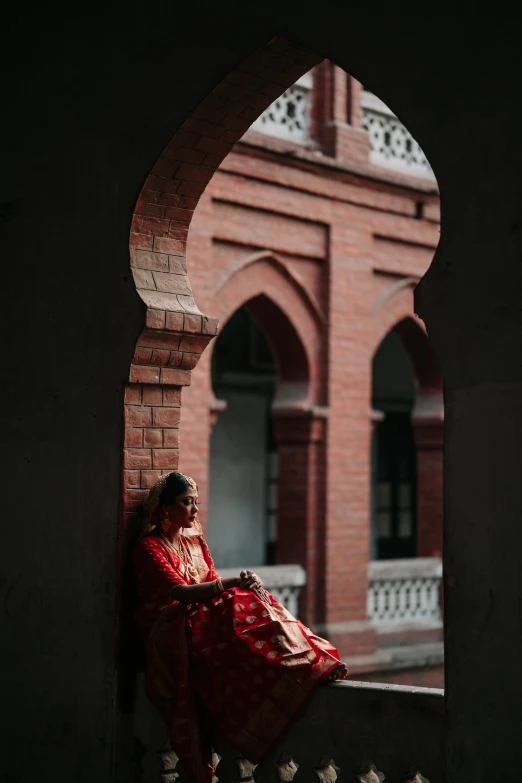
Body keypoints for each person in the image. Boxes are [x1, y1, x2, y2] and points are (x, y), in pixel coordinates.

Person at [133, 471, 348, 783]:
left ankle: (309, 655)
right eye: (186, 503)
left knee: (249, 596)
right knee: (235, 601)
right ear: (165, 509)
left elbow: (209, 583)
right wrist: (232, 583)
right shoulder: (149, 547)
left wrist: (242, 583)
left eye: (196, 502)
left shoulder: (195, 542)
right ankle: (293, 658)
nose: (195, 510)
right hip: (170, 626)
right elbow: (181, 593)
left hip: (197, 614)